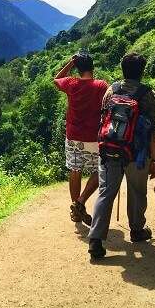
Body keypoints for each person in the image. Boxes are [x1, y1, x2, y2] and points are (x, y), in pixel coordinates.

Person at [88, 53, 155, 259]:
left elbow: (103, 121)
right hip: (137, 153)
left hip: (110, 149)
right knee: (137, 191)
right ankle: (137, 230)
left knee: (106, 192)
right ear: (142, 71)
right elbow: (153, 131)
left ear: (123, 69)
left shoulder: (111, 90)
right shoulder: (149, 95)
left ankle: (95, 240)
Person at [54, 51, 109, 226]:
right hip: (93, 137)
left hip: (73, 137)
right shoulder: (101, 85)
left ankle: (76, 211)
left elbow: (57, 78)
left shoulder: (71, 83)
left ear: (77, 69)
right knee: (100, 170)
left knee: (75, 170)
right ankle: (80, 201)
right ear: (92, 67)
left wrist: (71, 62)